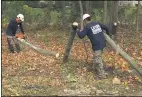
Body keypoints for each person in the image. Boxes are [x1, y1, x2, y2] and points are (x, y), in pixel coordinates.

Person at [72, 14, 110, 79]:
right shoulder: (97, 23)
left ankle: (101, 75)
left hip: (97, 45)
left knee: (98, 59)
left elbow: (81, 36)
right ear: (90, 18)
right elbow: (106, 27)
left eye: (84, 21)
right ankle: (95, 70)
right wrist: (108, 34)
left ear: (85, 20)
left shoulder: (87, 27)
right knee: (97, 57)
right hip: (102, 43)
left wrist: (77, 29)